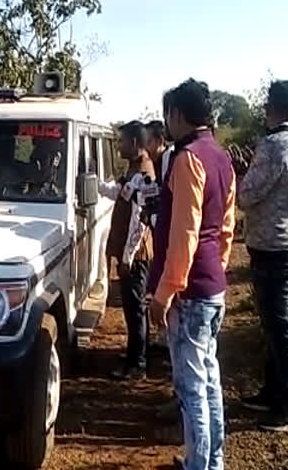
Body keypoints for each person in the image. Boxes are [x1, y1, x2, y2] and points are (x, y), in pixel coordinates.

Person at [146, 79, 236, 470]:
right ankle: (212, 461)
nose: (166, 122)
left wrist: (166, 291)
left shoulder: (188, 159)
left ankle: (200, 465)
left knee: (190, 388)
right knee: (209, 380)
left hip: (190, 291)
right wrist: (219, 266)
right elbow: (227, 226)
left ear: (178, 115)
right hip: (212, 285)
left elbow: (185, 230)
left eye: (168, 115)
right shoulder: (221, 156)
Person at [237, 80, 288, 432]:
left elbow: (246, 196)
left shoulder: (273, 146)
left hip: (272, 249)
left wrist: (243, 171)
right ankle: (274, 392)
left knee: (280, 328)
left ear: (271, 108)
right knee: (278, 325)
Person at [98, 121, 156, 380]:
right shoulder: (134, 170)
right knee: (132, 309)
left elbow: (140, 220)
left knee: (136, 309)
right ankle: (135, 354)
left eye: (121, 141)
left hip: (136, 254)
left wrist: (127, 256)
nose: (118, 145)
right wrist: (94, 184)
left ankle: (138, 365)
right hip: (130, 252)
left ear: (134, 143)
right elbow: (120, 193)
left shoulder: (144, 174)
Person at [144, 119, 175, 357]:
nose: (145, 145)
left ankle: (169, 338)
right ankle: (165, 336)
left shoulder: (170, 160)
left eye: (148, 140)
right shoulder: (160, 161)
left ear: (159, 141)